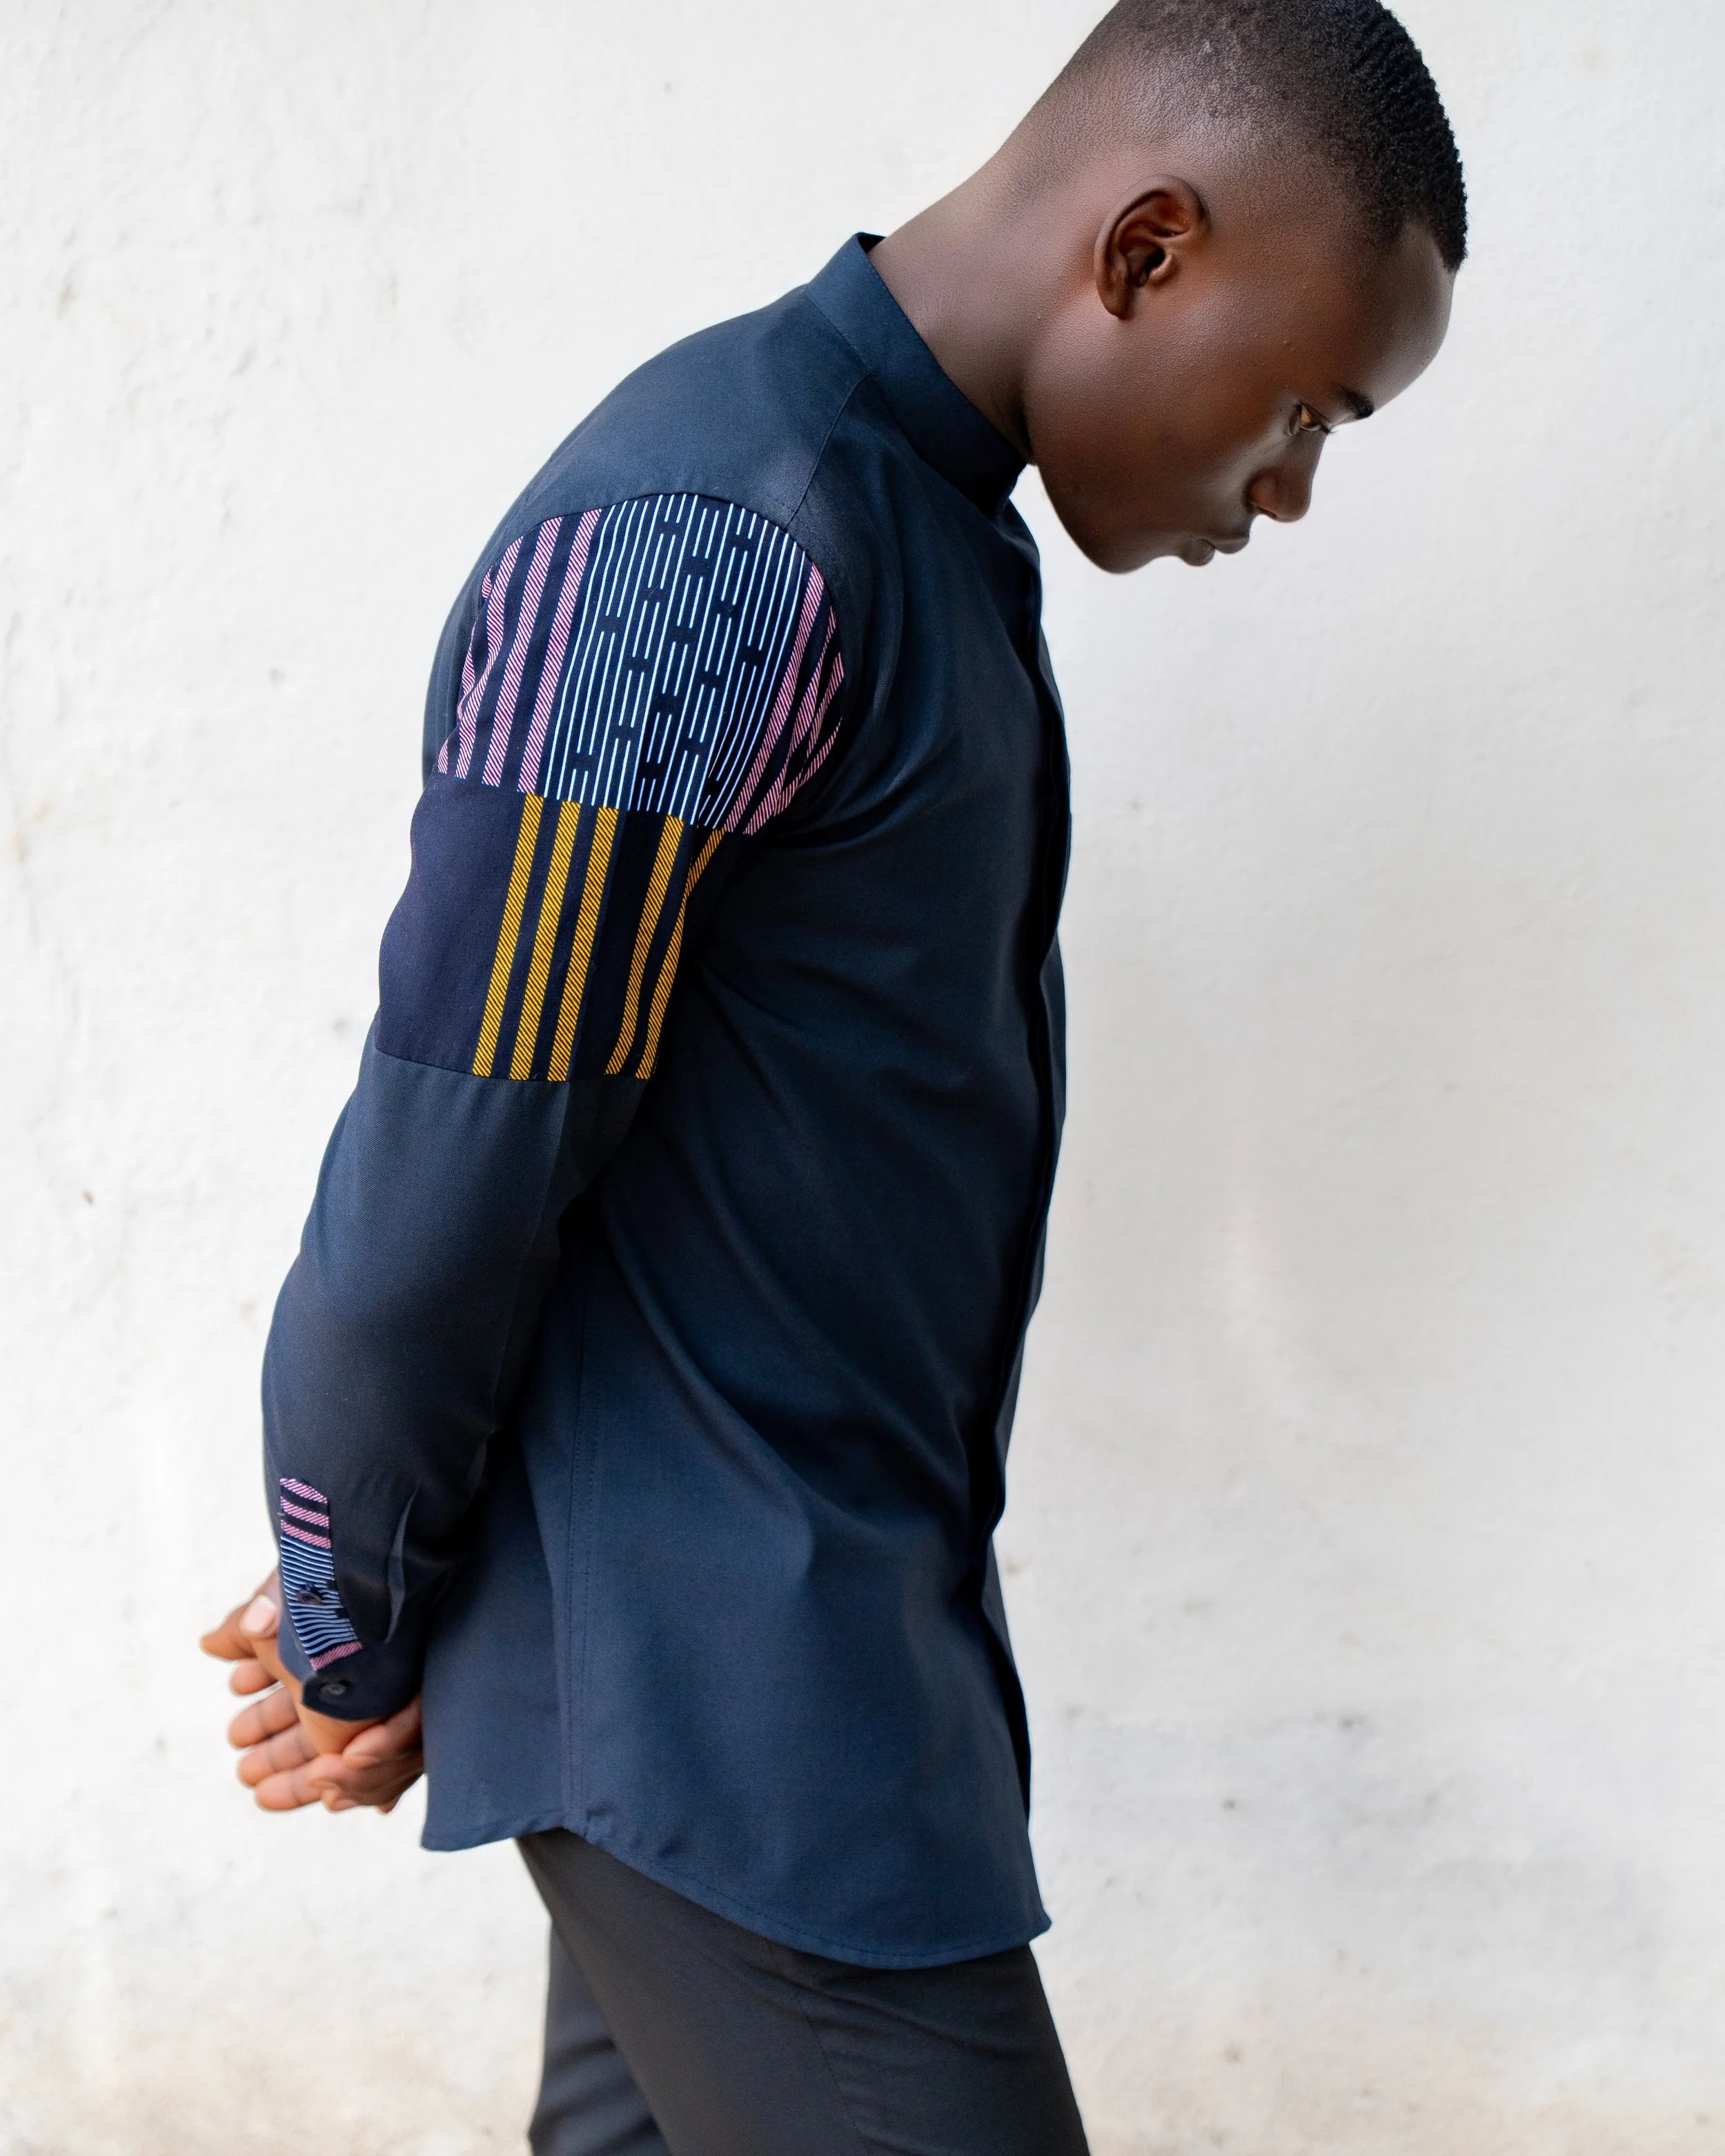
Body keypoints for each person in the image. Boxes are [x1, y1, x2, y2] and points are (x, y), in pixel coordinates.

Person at [200, 2, 1466, 2148]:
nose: (1290, 491)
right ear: (1145, 251)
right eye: (1297, 410)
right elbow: (442, 1172)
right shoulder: (718, 543)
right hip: (724, 1721)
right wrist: (354, 1611)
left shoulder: (913, 524)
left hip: (805, 1669)